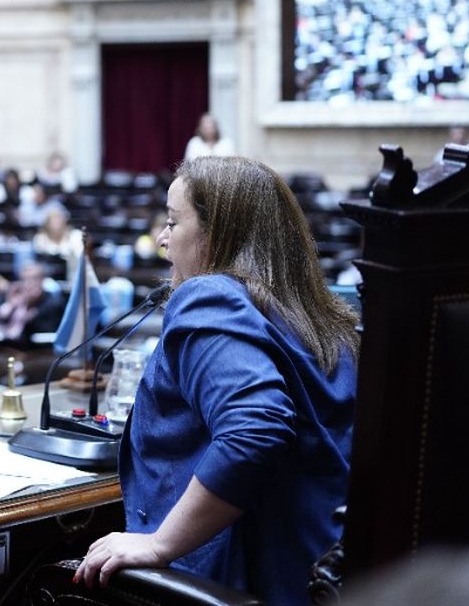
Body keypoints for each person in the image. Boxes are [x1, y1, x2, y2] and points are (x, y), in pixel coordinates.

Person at [74, 156, 359, 606]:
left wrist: (160, 543)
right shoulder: (323, 318)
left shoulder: (208, 297)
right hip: (323, 575)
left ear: (218, 232)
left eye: (172, 222)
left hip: (235, 579)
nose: (163, 240)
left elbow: (256, 428)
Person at [0, 262, 63, 341]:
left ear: (43, 280)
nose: (30, 284)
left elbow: (49, 329)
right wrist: (10, 305)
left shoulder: (52, 302)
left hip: (37, 350)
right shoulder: (11, 295)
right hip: (5, 346)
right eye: (25, 279)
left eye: (35, 279)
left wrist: (30, 308)